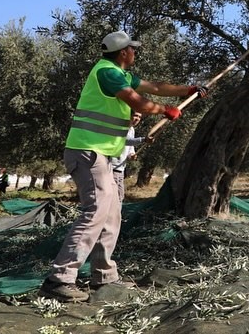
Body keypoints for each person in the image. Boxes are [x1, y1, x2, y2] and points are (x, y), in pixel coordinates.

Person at [39, 30, 208, 303]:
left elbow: (154, 86)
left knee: (112, 215)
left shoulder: (122, 74)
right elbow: (137, 100)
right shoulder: (107, 72)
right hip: (88, 152)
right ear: (123, 52)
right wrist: (166, 110)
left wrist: (188, 91)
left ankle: (104, 276)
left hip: (104, 156)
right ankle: (59, 279)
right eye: (133, 49)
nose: (135, 52)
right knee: (95, 212)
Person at [110, 112, 150, 203]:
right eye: (135, 115)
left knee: (119, 197)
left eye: (139, 117)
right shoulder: (120, 127)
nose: (137, 119)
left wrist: (131, 154)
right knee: (117, 197)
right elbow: (126, 141)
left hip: (121, 168)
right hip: (112, 167)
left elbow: (130, 147)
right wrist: (143, 139)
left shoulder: (131, 130)